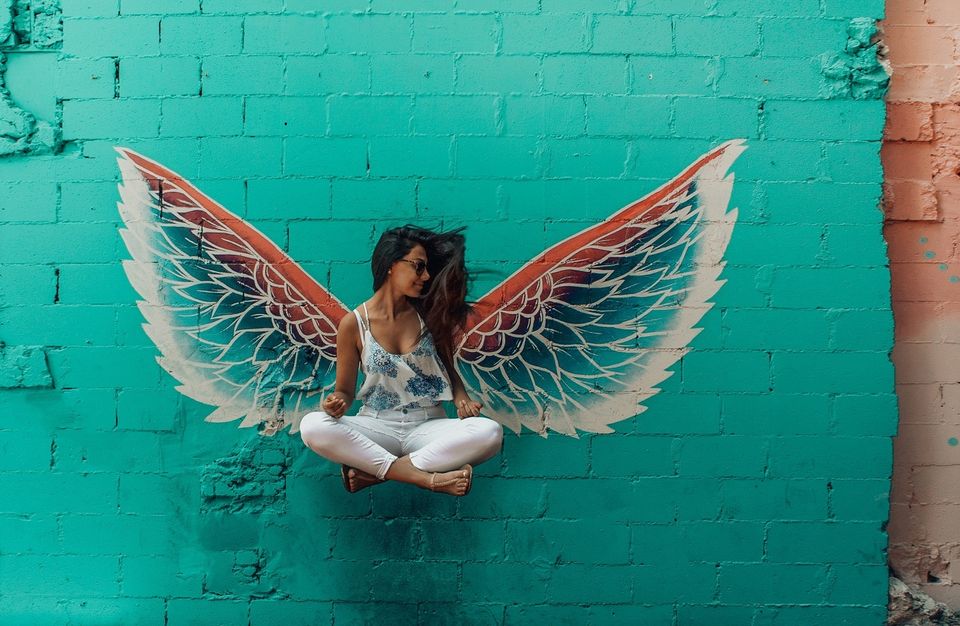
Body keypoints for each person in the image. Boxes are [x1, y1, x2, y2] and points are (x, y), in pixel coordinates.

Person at [300, 226, 504, 496]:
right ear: (391, 265)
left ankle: (375, 475)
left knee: (489, 432)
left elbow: (448, 368)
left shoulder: (430, 314)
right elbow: (345, 391)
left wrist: (461, 399)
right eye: (419, 267)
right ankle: (425, 479)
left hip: (428, 426)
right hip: (377, 425)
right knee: (313, 426)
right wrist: (336, 403)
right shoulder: (354, 324)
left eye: (427, 268)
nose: (427, 276)